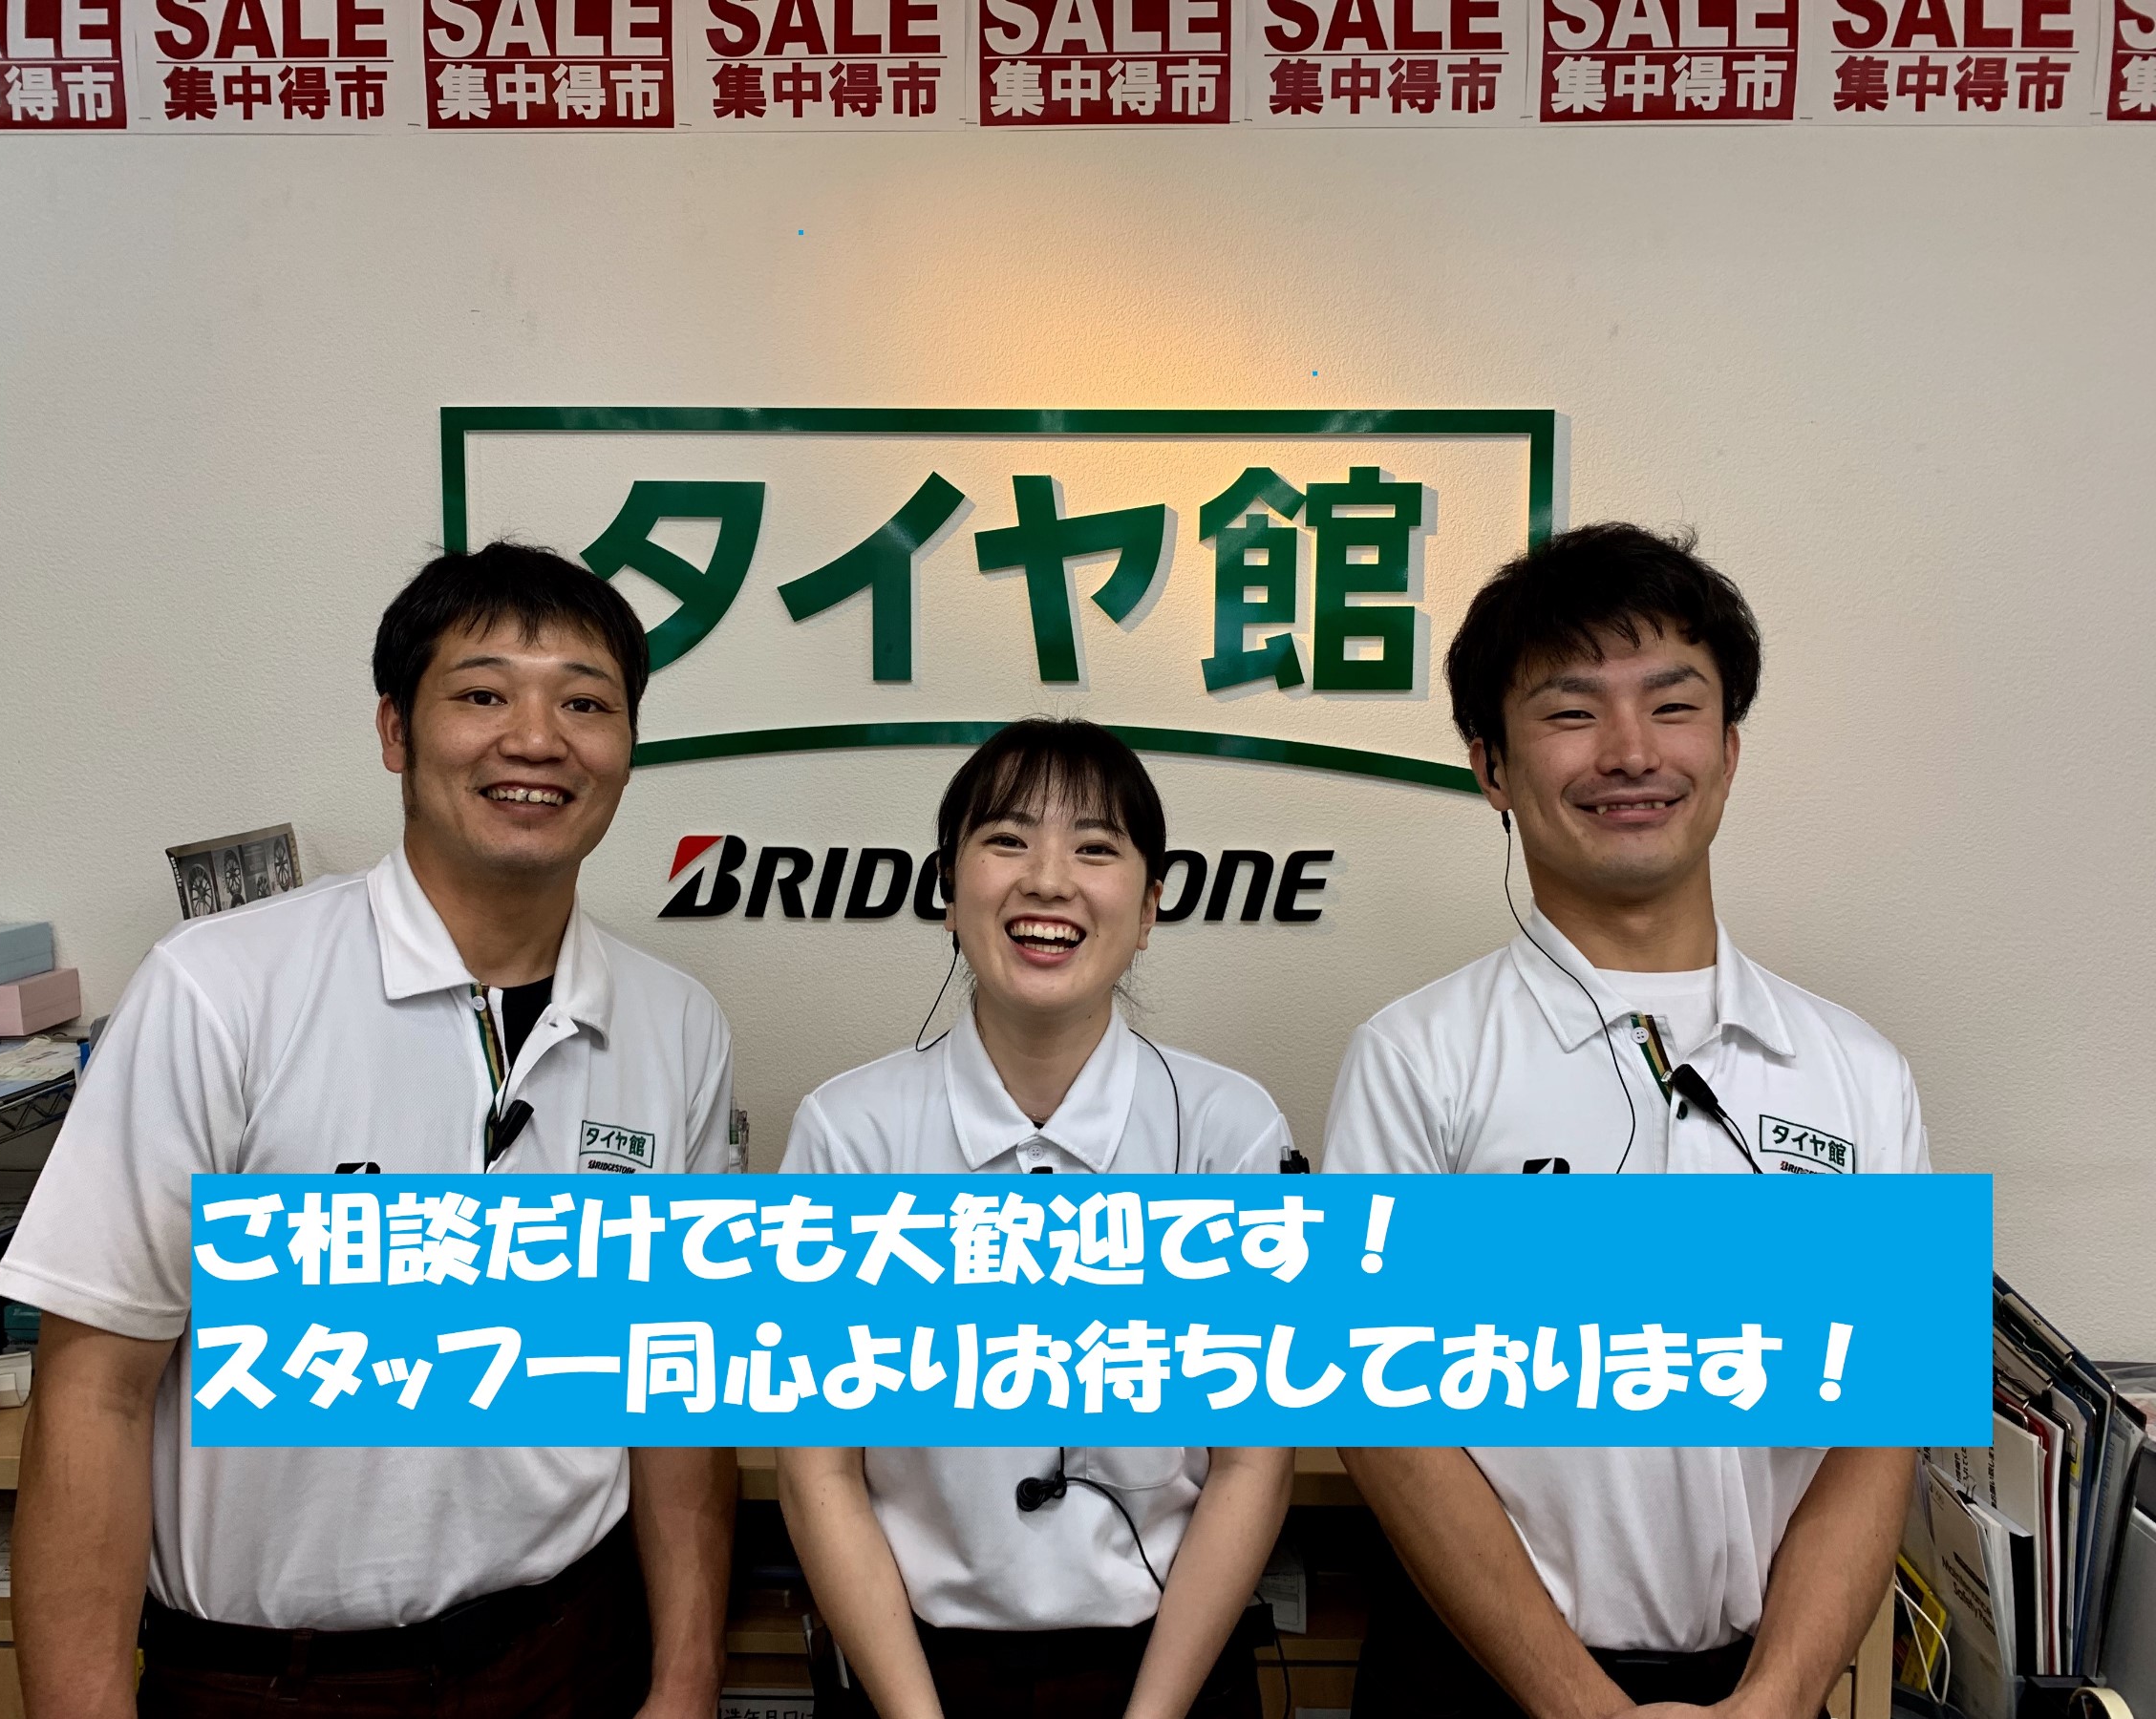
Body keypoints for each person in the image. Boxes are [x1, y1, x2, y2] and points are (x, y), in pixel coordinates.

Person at [0, 543, 739, 1718]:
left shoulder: (675, 1024)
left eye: (585, 704)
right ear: (397, 730)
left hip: (567, 1656)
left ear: (627, 746)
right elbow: (96, 1393)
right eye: (482, 695)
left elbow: (675, 1385)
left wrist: (684, 1679)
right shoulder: (222, 988)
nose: (536, 739)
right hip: (270, 1677)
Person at [1325, 525, 1927, 1719]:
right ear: (1491, 768)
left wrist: (1778, 1698)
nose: (1632, 752)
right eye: (1571, 712)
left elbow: (1878, 1429)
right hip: (1477, 1685)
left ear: (1729, 749)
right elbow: (1383, 1422)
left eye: (1674, 705)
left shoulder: (1861, 1074)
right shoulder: (1414, 1060)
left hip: (1760, 1686)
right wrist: (1578, 1706)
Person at [776, 719, 1294, 1719]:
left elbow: (1251, 1465)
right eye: (1007, 841)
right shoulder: (850, 1132)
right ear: (946, 889)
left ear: (1150, 907)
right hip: (913, 1674)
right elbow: (818, 1470)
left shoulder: (1230, 1130)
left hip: (1170, 1670)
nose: (1049, 881)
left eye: (1096, 849)